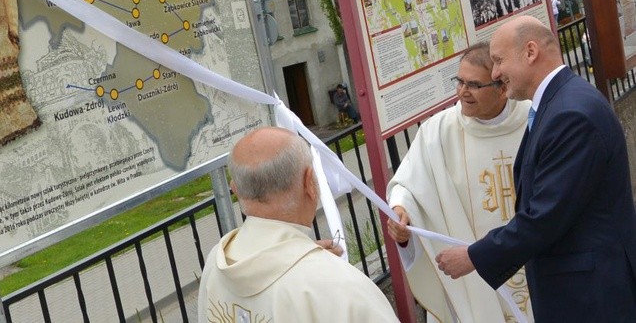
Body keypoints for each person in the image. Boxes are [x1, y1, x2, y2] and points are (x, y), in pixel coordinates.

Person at [435, 16, 636, 322]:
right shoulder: (561, 102)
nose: (496, 72)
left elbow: (545, 216)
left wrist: (473, 256)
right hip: (581, 288)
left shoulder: (571, 114)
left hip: (590, 295)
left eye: (499, 60)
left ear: (530, 52)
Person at [386, 42, 533, 322]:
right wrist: (403, 213)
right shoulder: (438, 131)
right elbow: (408, 185)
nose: (463, 92)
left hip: (535, 267)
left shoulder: (533, 121)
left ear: (503, 88)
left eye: (474, 85)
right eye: (459, 81)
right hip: (471, 283)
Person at [197, 127, 399, 322]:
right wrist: (313, 266)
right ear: (309, 183)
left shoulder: (215, 263)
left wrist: (304, 258)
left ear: (236, 190)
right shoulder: (344, 287)